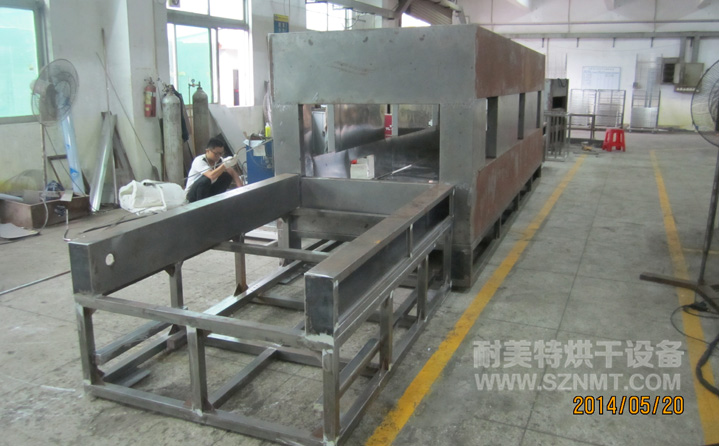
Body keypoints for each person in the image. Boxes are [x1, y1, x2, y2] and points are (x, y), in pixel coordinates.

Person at [185, 137, 243, 203]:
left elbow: (232, 172)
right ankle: (201, 205)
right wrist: (224, 165)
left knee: (227, 176)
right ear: (207, 151)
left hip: (206, 191)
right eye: (216, 154)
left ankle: (216, 201)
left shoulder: (219, 160)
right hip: (192, 195)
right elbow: (211, 176)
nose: (218, 156)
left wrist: (242, 190)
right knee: (206, 179)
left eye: (221, 154)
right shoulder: (199, 160)